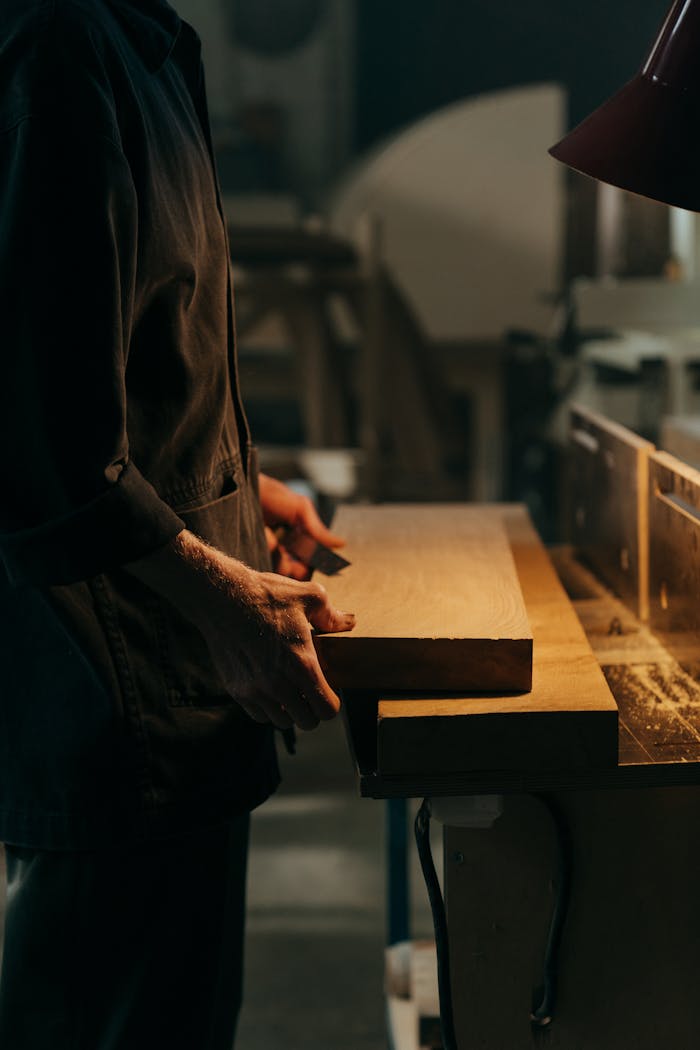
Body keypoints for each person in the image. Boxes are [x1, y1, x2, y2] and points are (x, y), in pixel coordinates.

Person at [0, 0, 355, 1046]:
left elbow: (127, 360)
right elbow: (35, 446)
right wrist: (231, 598)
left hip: (174, 686)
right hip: (114, 686)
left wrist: (242, 483)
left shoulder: (148, 41)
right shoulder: (55, 46)